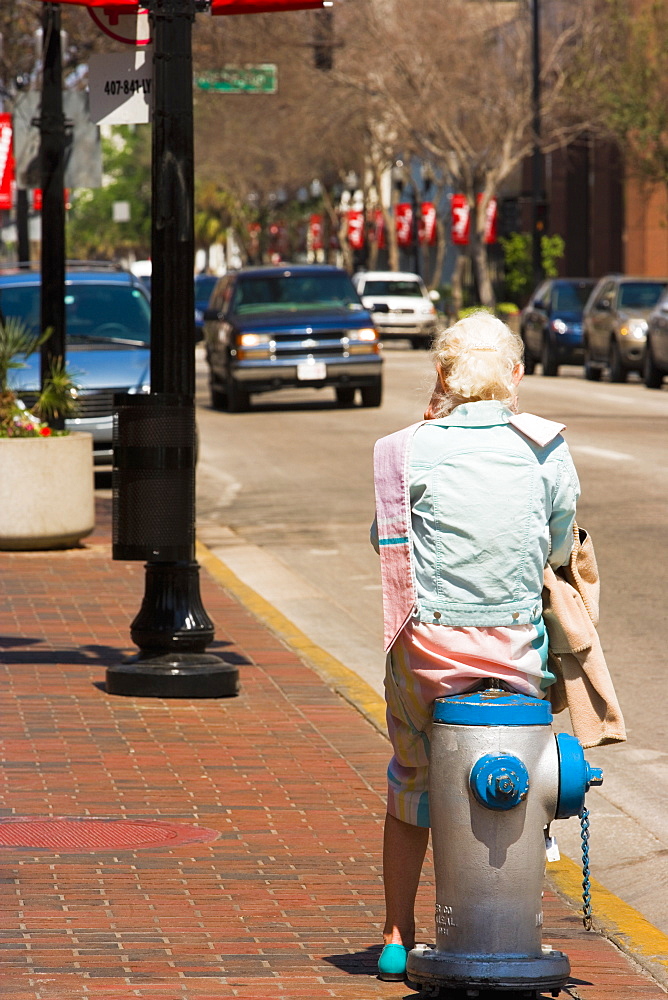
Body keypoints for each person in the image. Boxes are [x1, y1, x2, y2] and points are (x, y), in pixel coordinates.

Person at [370, 311, 580, 981]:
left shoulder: (404, 448)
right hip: (516, 652)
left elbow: (386, 542)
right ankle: (511, 917)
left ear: (441, 378)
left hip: (428, 654)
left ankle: (397, 934)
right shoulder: (547, 447)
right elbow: (557, 543)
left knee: (412, 782)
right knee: (528, 773)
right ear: (515, 375)